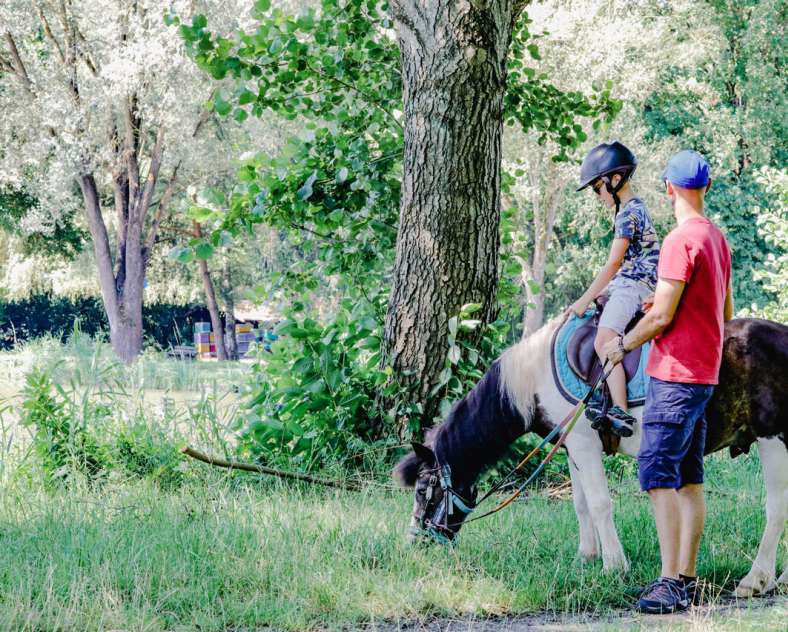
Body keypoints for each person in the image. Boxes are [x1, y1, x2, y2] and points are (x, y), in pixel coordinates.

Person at [602, 150, 734, 614]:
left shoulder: (680, 240)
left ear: (668, 188)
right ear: (707, 187)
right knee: (689, 479)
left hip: (674, 375)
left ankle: (669, 582)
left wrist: (622, 344)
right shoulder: (717, 239)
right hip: (704, 376)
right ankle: (688, 580)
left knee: (658, 473)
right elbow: (724, 312)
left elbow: (660, 316)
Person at [570, 141, 661, 435]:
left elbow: (613, 263)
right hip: (631, 282)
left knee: (604, 341)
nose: (597, 196)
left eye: (598, 188)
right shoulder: (636, 208)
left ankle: (621, 410)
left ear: (616, 179)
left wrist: (583, 300)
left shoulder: (627, 214)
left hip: (633, 286)